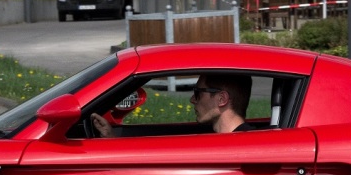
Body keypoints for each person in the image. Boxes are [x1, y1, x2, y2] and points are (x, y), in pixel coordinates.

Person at [91, 73, 252, 137]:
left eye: (198, 93)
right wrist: (112, 138)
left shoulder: (245, 149)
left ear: (222, 99)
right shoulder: (228, 141)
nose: (192, 100)